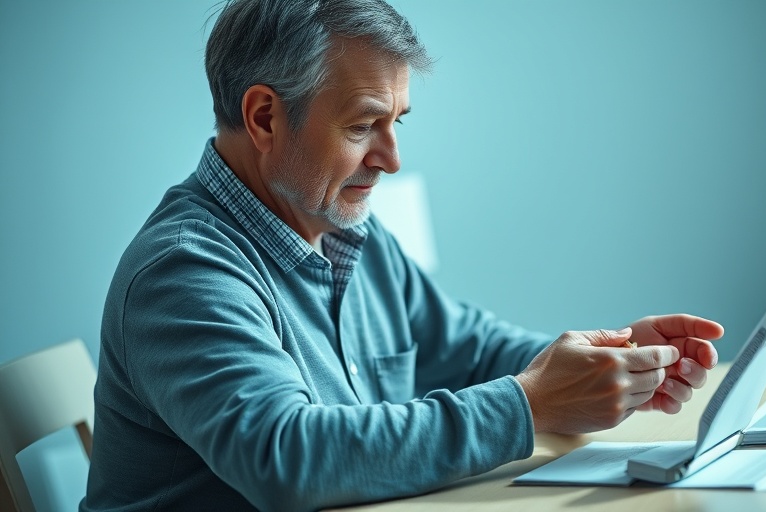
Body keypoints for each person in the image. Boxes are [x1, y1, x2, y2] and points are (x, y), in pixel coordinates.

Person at [81, 1, 724, 510]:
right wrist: (532, 405)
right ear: (265, 118)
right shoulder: (184, 273)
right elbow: (288, 461)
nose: (391, 158)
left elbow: (471, 351)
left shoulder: (341, 230)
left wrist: (609, 362)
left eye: (397, 122)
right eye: (363, 126)